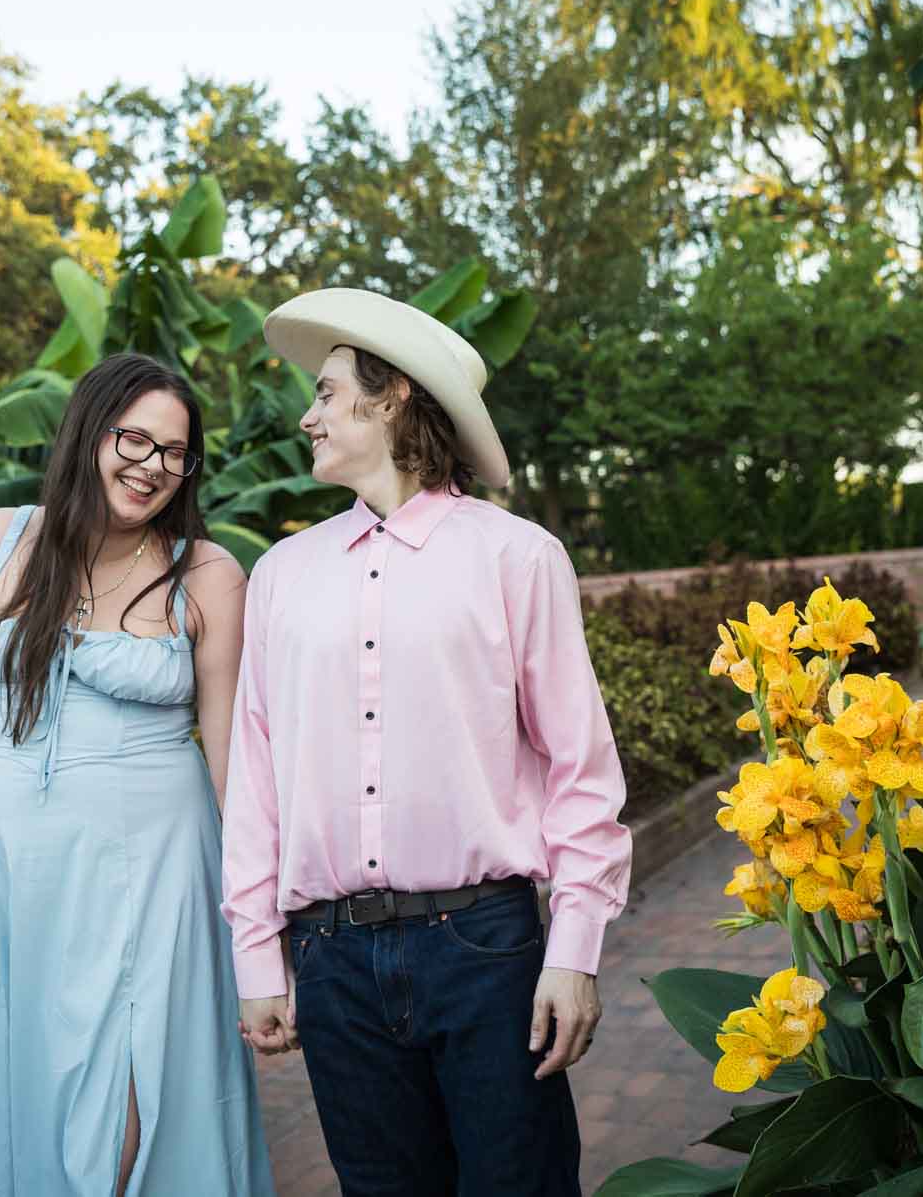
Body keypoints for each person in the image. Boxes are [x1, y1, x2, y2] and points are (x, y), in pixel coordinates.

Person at [222, 288, 632, 1196]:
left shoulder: (518, 557)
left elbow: (580, 771)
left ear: (394, 394)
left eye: (328, 392)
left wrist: (574, 951)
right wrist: (258, 956)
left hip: (486, 951)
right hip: (330, 963)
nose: (307, 413)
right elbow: (257, 782)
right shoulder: (280, 576)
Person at [0, 352, 273, 1196]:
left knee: (128, 1095)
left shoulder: (208, 575)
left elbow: (233, 759)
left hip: (156, 863)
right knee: (42, 1080)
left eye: (175, 453)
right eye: (135, 439)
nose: (152, 466)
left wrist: (263, 923)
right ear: (90, 430)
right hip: (17, 865)